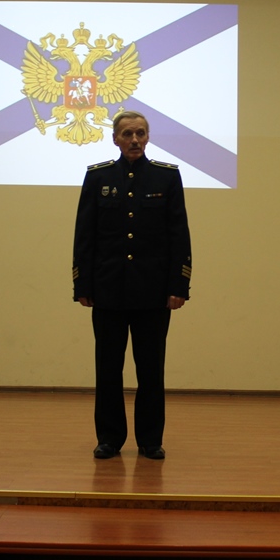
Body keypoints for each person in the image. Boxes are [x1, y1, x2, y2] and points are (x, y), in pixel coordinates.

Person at [73, 111, 192, 461]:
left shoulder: (166, 177)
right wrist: (83, 284)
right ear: (115, 139)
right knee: (108, 369)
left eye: (140, 133)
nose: (134, 139)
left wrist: (179, 285)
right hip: (108, 290)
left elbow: (178, 235)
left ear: (148, 137)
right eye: (127, 134)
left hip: (152, 293)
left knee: (151, 370)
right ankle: (109, 438)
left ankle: (150, 439)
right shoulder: (98, 177)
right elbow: (85, 235)